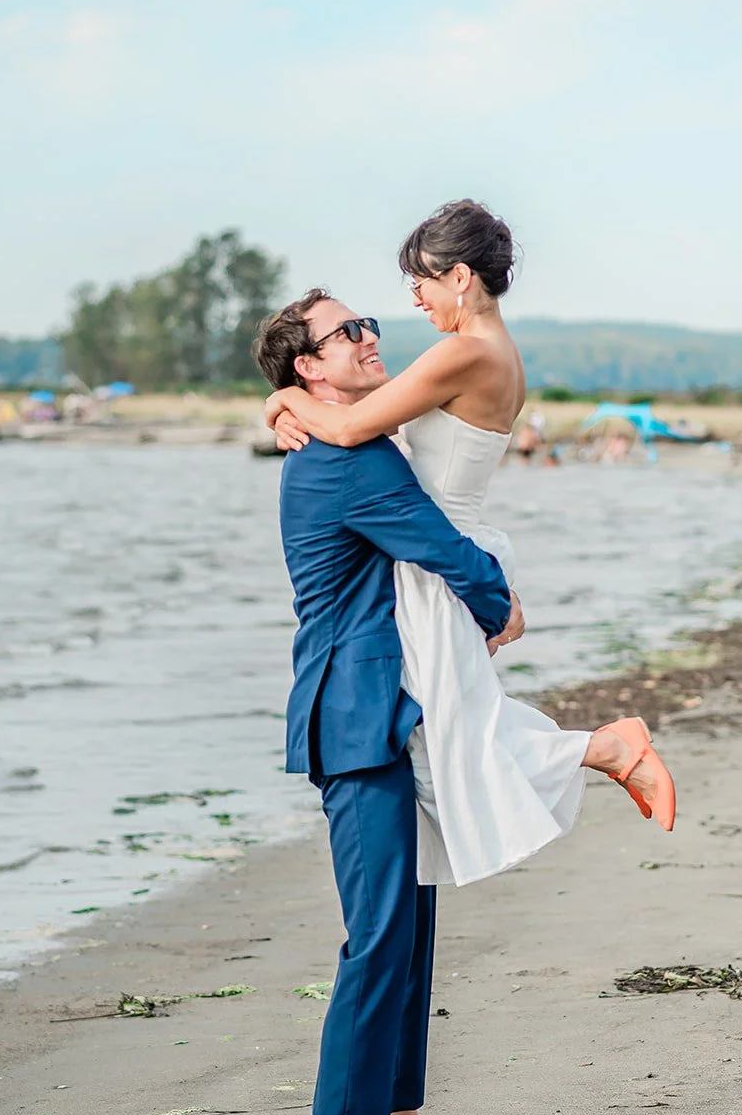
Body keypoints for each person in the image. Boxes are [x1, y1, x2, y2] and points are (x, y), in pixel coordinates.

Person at [264, 200, 675, 899]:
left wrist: (281, 403)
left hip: (436, 561)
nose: (414, 301)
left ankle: (606, 749)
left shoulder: (463, 351)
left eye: (419, 283)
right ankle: (600, 751)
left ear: (458, 277)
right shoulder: (488, 351)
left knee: (454, 735)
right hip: (449, 545)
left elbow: (352, 423)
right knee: (451, 728)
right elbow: (368, 409)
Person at [253, 293, 526, 1115]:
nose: (369, 338)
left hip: (390, 713)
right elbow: (443, 549)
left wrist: (280, 409)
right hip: (355, 718)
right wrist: (498, 604)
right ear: (308, 371)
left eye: (367, 322)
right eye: (345, 334)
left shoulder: (345, 435)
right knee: (375, 940)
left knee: (409, 924)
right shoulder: (348, 461)